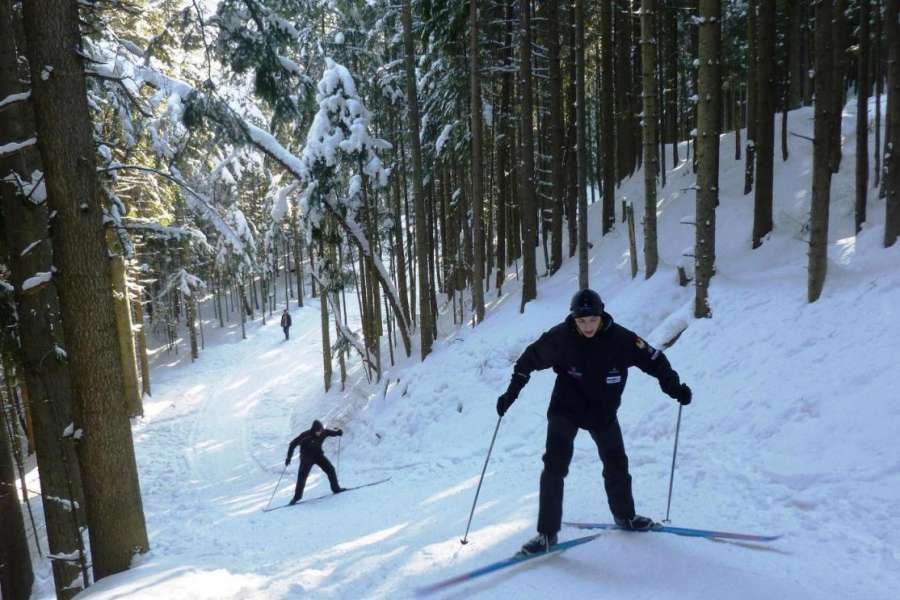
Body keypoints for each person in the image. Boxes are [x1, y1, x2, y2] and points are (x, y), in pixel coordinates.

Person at [496, 289, 692, 555]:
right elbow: (527, 361)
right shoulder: (560, 337)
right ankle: (547, 533)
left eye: (592, 320)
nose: (587, 326)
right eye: (581, 321)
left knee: (616, 462)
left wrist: (674, 388)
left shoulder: (622, 340)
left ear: (601, 316)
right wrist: (511, 394)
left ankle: (626, 517)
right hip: (566, 408)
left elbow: (655, 360)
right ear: (573, 319)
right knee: (555, 465)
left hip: (603, 412)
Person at [284, 420, 345, 504]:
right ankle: (296, 498)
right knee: (302, 477)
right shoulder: (305, 435)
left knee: (331, 469)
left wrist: (338, 432)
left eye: (321, 431)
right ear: (314, 430)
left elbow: (333, 433)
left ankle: (336, 489)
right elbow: (292, 445)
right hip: (306, 459)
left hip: (318, 456)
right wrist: (288, 458)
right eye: (318, 431)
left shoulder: (324, 432)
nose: (320, 433)